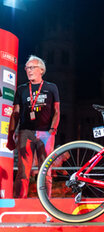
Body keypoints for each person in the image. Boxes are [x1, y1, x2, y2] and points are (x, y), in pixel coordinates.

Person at [7, 55, 60, 198]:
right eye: (27, 68)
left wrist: (52, 130)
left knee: (46, 171)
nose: (29, 70)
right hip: (26, 132)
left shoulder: (51, 87)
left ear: (41, 70)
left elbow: (56, 111)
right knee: (23, 171)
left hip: (46, 134)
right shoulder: (21, 89)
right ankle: (20, 202)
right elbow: (15, 114)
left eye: (32, 67)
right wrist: (10, 137)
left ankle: (46, 202)